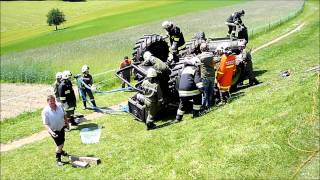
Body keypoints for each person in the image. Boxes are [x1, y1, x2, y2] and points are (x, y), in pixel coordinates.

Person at [42, 95, 69, 166]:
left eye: (53, 101)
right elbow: (46, 124)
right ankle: (58, 160)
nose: (53, 103)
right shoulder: (45, 111)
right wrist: (51, 132)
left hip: (61, 127)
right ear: (48, 102)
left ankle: (61, 151)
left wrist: (67, 123)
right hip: (53, 131)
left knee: (62, 142)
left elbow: (64, 115)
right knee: (60, 144)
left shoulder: (60, 106)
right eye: (51, 102)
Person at [174, 57, 203, 122]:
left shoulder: (184, 69)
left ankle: (178, 118)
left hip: (181, 91)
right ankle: (196, 114)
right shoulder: (195, 69)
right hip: (191, 90)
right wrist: (202, 89)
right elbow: (197, 81)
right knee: (198, 98)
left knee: (182, 104)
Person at [197, 42, 215, 109]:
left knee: (205, 93)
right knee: (210, 92)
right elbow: (213, 63)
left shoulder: (199, 57)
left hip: (205, 76)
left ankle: (203, 107)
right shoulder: (211, 55)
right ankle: (209, 105)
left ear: (201, 49)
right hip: (212, 75)